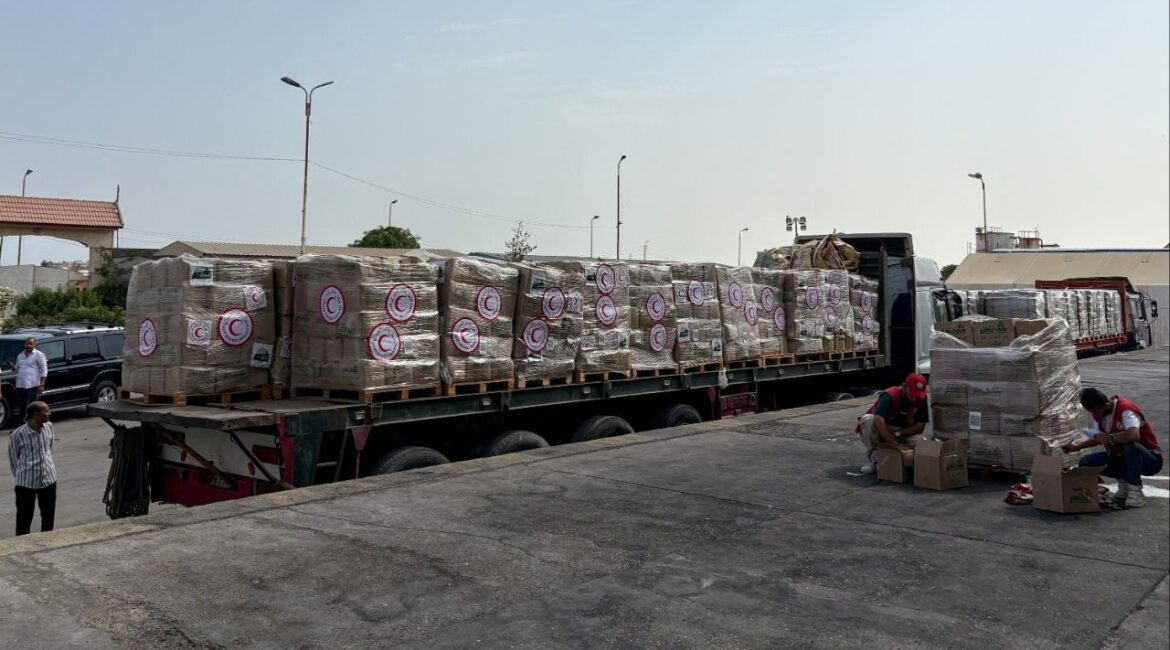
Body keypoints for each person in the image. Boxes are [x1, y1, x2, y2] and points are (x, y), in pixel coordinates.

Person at [1062, 388, 1162, 508]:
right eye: (1092, 412)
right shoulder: (1101, 414)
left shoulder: (1126, 410)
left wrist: (1109, 437)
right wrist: (1077, 447)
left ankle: (1135, 491)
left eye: (1096, 412)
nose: (1094, 415)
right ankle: (1124, 485)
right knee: (1086, 462)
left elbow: (1133, 435)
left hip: (1149, 460)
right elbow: (1099, 438)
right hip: (1122, 457)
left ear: (1106, 405)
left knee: (1130, 445)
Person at [855, 373, 930, 474]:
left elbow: (920, 426)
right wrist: (895, 444)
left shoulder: (921, 399)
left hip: (900, 431)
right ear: (904, 387)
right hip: (879, 429)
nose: (914, 398)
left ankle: (909, 462)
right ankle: (872, 456)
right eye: (912, 393)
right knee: (867, 419)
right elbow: (878, 420)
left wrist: (898, 434)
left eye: (918, 395)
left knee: (922, 443)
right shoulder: (890, 395)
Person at [7, 401, 57, 536]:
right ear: (35, 415)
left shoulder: (49, 427)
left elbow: (48, 448)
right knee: (24, 520)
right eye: (46, 411)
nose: (49, 413)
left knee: (48, 518)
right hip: (26, 484)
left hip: (49, 480)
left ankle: (47, 542)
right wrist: (24, 474)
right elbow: (13, 459)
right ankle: (22, 546)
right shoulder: (17, 435)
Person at [12, 337, 48, 423]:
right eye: (26, 344)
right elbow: (17, 369)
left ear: (35, 344)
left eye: (30, 344)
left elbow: (44, 370)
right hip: (20, 386)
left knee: (32, 407)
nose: (28, 346)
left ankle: (31, 424)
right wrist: (13, 367)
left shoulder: (39, 355)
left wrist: (42, 384)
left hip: (32, 386)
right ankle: (23, 424)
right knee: (22, 406)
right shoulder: (20, 355)